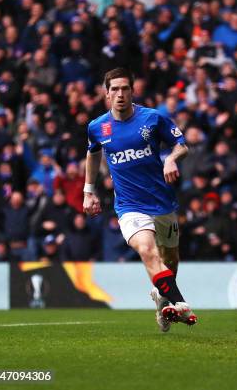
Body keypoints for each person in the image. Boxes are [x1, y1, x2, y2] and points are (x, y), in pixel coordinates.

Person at [83, 67, 196, 332]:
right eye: (115, 89)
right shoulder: (97, 127)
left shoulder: (154, 119)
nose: (120, 94)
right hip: (129, 206)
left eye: (125, 88)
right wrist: (89, 189)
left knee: (170, 260)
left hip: (162, 202)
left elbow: (182, 146)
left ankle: (163, 301)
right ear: (106, 93)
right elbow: (93, 152)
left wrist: (170, 158)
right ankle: (181, 304)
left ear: (133, 91)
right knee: (147, 251)